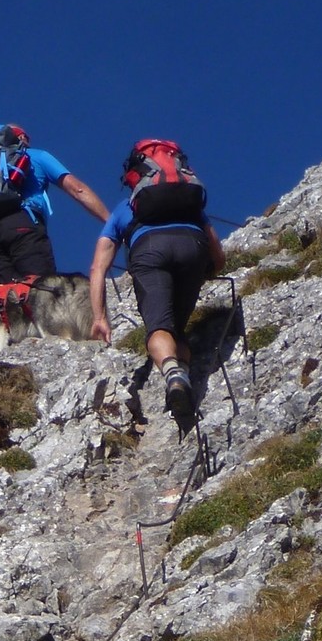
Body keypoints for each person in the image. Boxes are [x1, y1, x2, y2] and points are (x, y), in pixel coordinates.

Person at [89, 141, 226, 430]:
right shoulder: (191, 206)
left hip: (149, 251)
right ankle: (183, 373)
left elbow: (98, 267)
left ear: (134, 178)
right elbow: (218, 253)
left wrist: (100, 317)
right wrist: (208, 269)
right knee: (177, 328)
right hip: (193, 247)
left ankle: (174, 375)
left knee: (159, 328)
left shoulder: (124, 209)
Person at [0, 124, 109, 284]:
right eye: (27, 137)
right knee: (41, 292)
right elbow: (77, 189)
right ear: (20, 137)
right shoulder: (36, 156)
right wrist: (111, 222)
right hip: (23, 226)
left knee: (4, 300)